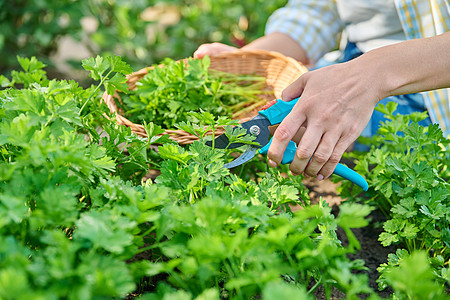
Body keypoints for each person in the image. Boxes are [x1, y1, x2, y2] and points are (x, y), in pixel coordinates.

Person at [194, 0, 450, 181]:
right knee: (295, 123)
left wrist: (371, 76)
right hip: (352, 65)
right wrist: (253, 63)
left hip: (434, 98)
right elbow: (315, 12)